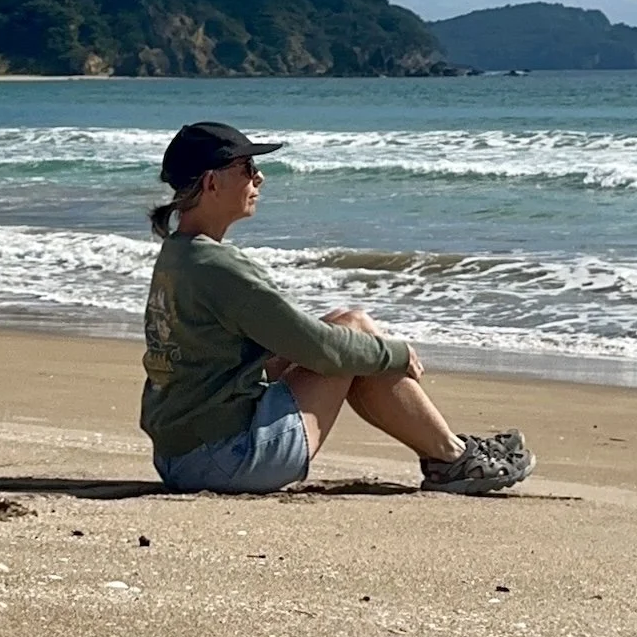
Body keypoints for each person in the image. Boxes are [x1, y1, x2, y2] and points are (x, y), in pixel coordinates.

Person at [140, 121, 534, 495]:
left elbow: (286, 342)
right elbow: (323, 351)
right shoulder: (216, 266)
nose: (259, 178)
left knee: (351, 324)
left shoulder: (178, 254)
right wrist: (396, 353)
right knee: (354, 343)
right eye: (247, 167)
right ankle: (452, 456)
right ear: (212, 182)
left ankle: (446, 450)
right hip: (226, 460)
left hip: (180, 454)